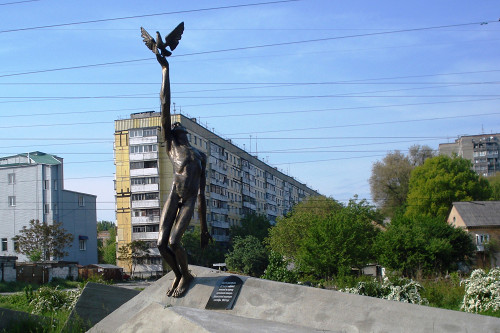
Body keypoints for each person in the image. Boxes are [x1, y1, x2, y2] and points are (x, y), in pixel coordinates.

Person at [155, 52, 212, 297]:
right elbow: (165, 104)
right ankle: (180, 275)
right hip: (173, 195)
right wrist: (165, 70)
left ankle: (185, 275)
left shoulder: (200, 155)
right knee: (160, 244)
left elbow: (202, 194)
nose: (175, 126)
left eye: (178, 126)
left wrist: (204, 228)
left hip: (188, 200)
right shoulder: (171, 146)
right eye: (173, 126)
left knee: (175, 242)